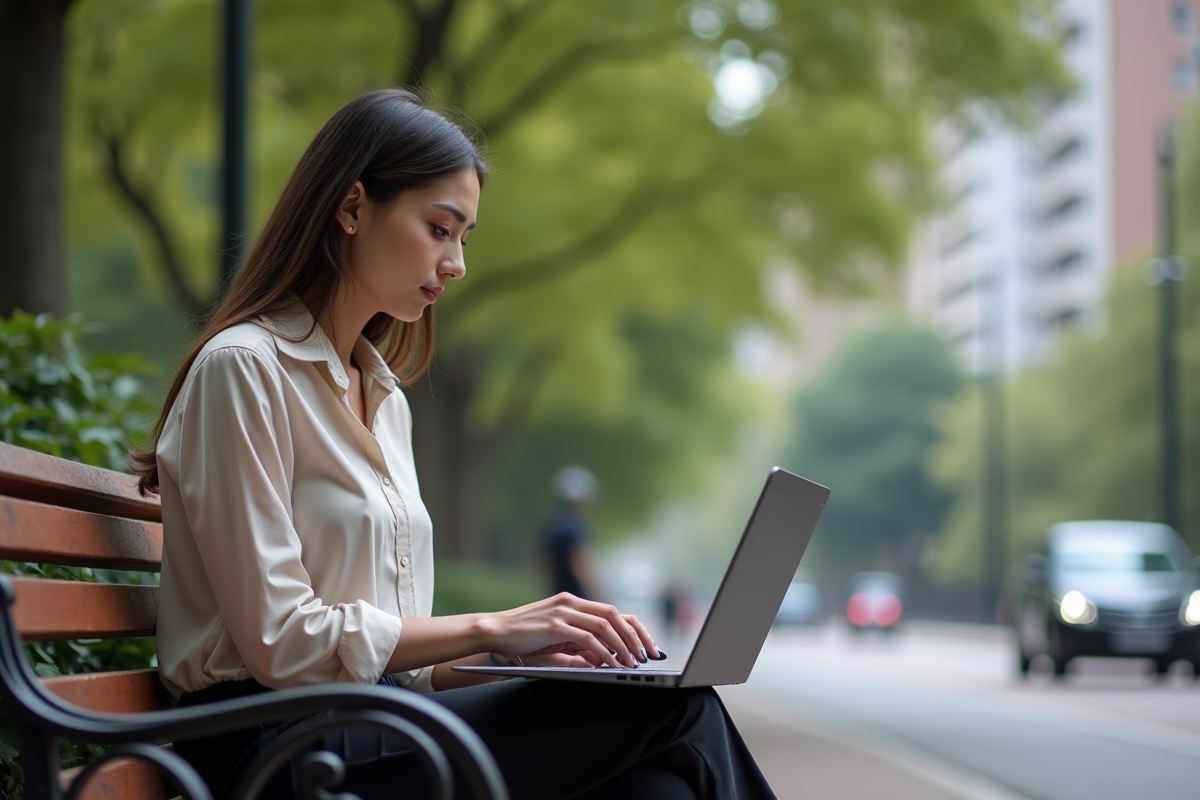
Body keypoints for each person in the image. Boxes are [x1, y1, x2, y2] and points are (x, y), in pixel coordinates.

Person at [132, 89, 774, 800]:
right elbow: (282, 642)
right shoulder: (245, 370)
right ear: (351, 208)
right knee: (679, 709)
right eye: (440, 228)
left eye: (464, 237)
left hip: (372, 723)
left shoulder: (386, 403)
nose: (457, 261)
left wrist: (513, 653)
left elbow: (399, 668)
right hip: (271, 753)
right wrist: (493, 622)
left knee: (660, 789)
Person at [541, 465, 602, 600]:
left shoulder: (552, 525)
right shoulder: (576, 527)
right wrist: (600, 596)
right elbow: (581, 563)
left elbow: (546, 567)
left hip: (557, 598)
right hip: (577, 599)